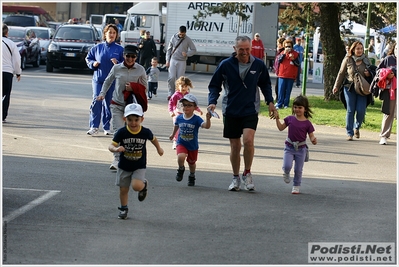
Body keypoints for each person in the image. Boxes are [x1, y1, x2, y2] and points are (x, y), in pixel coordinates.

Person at [208, 35, 276, 192]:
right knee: (235, 146)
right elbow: (214, 85)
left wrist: (270, 102)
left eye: (247, 49)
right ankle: (235, 177)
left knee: (248, 140)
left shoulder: (258, 65)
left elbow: (265, 83)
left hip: (250, 109)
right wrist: (212, 101)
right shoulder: (226, 65)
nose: (244, 52)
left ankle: (247, 173)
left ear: (251, 48)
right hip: (231, 109)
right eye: (241, 49)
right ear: (235, 49)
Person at [109, 103, 164, 219]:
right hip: (124, 165)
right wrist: (116, 149)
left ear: (142, 119)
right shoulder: (122, 132)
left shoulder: (145, 132)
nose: (133, 123)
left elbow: (153, 139)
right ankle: (123, 208)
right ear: (125, 119)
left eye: (136, 119)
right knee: (123, 189)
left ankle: (143, 186)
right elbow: (111, 146)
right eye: (130, 120)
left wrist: (159, 148)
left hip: (139, 165)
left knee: (136, 186)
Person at [98, 45, 147, 170]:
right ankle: (116, 159)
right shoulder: (117, 68)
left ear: (136, 57)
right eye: (128, 56)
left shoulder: (140, 70)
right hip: (117, 104)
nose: (130, 59)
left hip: (132, 108)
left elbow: (144, 87)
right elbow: (108, 81)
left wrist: (134, 88)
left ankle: (131, 158)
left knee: (131, 134)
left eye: (133, 56)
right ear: (124, 56)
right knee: (118, 131)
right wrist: (102, 94)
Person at [86, 24, 124, 136]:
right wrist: (93, 64)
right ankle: (94, 126)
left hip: (112, 82)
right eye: (110, 32)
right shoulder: (97, 48)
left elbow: (126, 64)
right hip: (99, 79)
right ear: (105, 33)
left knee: (109, 104)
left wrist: (118, 64)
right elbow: (89, 58)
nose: (111, 35)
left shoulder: (120, 49)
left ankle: (107, 127)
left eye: (114, 33)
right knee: (97, 100)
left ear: (116, 35)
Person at [274, 95, 317, 194]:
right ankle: (286, 172)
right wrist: (277, 119)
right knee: (287, 165)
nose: (297, 109)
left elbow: (311, 136)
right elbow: (281, 128)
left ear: (305, 109)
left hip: (301, 149)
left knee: (298, 169)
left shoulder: (307, 123)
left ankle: (296, 185)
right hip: (289, 147)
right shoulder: (290, 119)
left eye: (300, 107)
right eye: (295, 107)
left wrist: (313, 140)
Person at [332, 41, 373, 141]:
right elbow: (341, 73)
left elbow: (373, 73)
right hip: (349, 87)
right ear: (353, 49)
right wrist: (336, 86)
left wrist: (369, 74)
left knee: (361, 110)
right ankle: (349, 133)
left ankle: (357, 127)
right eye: (357, 48)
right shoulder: (348, 59)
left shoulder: (366, 60)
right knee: (350, 110)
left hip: (362, 89)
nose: (359, 51)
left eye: (361, 48)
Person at [169, 94, 211, 186]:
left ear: (195, 107)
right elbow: (176, 126)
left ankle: (192, 175)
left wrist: (208, 119)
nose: (186, 107)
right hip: (181, 142)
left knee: (192, 163)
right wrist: (173, 135)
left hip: (192, 145)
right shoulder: (179, 117)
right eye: (184, 105)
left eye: (189, 105)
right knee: (180, 156)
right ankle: (181, 169)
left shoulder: (196, 119)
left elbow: (206, 126)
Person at [168, 76, 203, 149]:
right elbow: (171, 103)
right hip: (177, 114)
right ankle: (175, 141)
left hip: (186, 115)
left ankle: (183, 142)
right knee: (177, 127)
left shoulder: (188, 95)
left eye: (186, 86)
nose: (184, 88)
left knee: (184, 129)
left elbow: (192, 104)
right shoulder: (176, 95)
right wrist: (171, 112)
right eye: (182, 86)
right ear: (178, 86)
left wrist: (198, 110)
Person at [165, 25, 197, 100]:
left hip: (182, 61)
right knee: (171, 77)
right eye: (180, 34)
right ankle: (171, 93)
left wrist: (187, 54)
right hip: (173, 59)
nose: (181, 35)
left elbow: (194, 50)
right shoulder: (174, 37)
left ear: (185, 33)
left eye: (183, 34)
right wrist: (167, 60)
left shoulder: (188, 39)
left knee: (180, 79)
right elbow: (169, 49)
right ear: (178, 32)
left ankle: (179, 93)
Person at [375, 43, 397, 145]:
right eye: (397, 48)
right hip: (391, 89)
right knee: (388, 113)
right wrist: (387, 74)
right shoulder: (389, 59)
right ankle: (384, 136)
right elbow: (378, 70)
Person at [2, 23, 22, 123]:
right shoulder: (11, 43)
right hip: (7, 72)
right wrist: (18, 72)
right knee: (5, 94)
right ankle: (2, 115)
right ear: (7, 32)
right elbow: (17, 60)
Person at [276, 39, 300, 109]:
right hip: (282, 75)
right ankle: (279, 103)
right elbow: (279, 61)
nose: (287, 48)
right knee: (281, 90)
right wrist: (284, 54)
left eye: (289, 46)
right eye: (286, 47)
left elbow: (298, 64)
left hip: (291, 76)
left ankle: (286, 104)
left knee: (288, 90)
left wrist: (293, 59)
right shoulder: (282, 53)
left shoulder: (295, 54)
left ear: (292, 47)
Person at [273, 37, 285, 102]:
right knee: (277, 87)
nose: (277, 45)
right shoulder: (279, 51)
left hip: (282, 72)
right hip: (278, 71)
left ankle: (280, 99)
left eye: (278, 43)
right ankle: (278, 98)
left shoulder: (283, 51)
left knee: (279, 87)